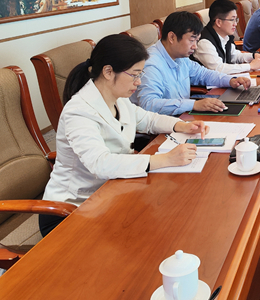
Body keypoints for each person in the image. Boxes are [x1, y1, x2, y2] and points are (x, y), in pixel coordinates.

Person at [40, 34, 209, 236]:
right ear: (108, 72)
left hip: (111, 192)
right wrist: (165, 159)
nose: (139, 82)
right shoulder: (78, 111)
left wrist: (182, 125)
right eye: (135, 75)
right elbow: (100, 164)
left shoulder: (118, 98)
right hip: (71, 209)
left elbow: (147, 119)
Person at [133, 11, 251, 115]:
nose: (195, 46)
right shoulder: (151, 64)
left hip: (183, 116)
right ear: (172, 37)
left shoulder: (180, 56)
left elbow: (203, 74)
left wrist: (230, 80)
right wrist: (193, 104)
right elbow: (149, 104)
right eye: (191, 40)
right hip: (162, 126)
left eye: (197, 40)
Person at [194, 0, 260, 74]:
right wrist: (250, 66)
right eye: (232, 20)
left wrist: (253, 56)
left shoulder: (225, 36)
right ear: (218, 22)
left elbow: (235, 55)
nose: (235, 24)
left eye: (236, 19)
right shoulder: (204, 42)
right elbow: (218, 69)